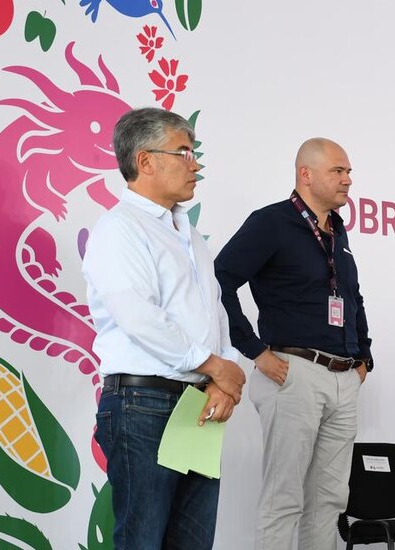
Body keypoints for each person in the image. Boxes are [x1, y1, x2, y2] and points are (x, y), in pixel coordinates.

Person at [82, 107, 245, 549]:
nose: (196, 166)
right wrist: (215, 365)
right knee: (142, 541)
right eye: (184, 153)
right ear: (145, 161)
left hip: (196, 403)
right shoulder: (120, 228)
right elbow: (139, 316)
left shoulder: (188, 235)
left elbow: (215, 311)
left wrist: (222, 379)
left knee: (192, 542)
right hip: (143, 404)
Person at [215, 138, 373, 549]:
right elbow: (220, 282)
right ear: (306, 174)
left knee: (331, 499)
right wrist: (254, 349)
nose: (348, 180)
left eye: (349, 172)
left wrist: (364, 359)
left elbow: (352, 297)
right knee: (283, 498)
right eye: (338, 171)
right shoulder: (271, 222)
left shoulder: (337, 231)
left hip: (343, 376)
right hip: (293, 371)